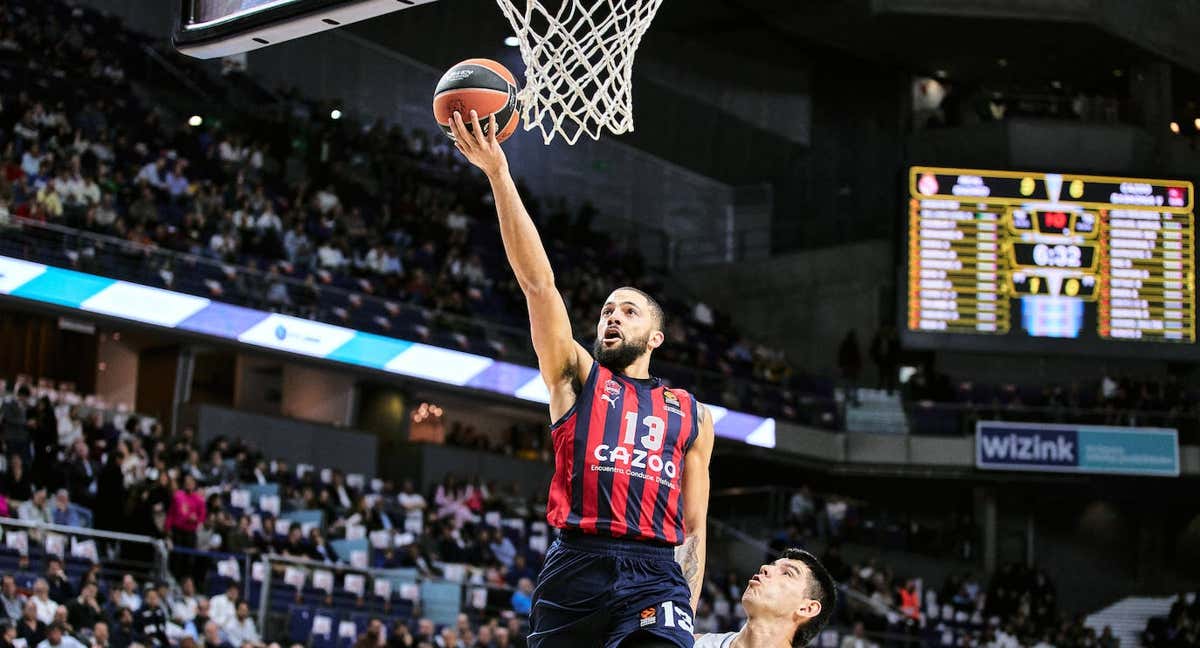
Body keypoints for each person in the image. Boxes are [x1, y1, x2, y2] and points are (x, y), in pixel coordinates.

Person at [451, 111, 715, 648]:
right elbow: (537, 285)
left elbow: (693, 525)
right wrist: (500, 174)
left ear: (657, 338)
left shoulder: (691, 412)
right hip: (576, 562)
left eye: (629, 311)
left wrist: (684, 602)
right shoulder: (575, 375)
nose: (612, 316)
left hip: (654, 572)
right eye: (607, 310)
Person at [693, 549, 837, 648]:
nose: (764, 567)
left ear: (807, 608)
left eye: (787, 573)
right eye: (772, 565)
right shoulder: (693, 643)